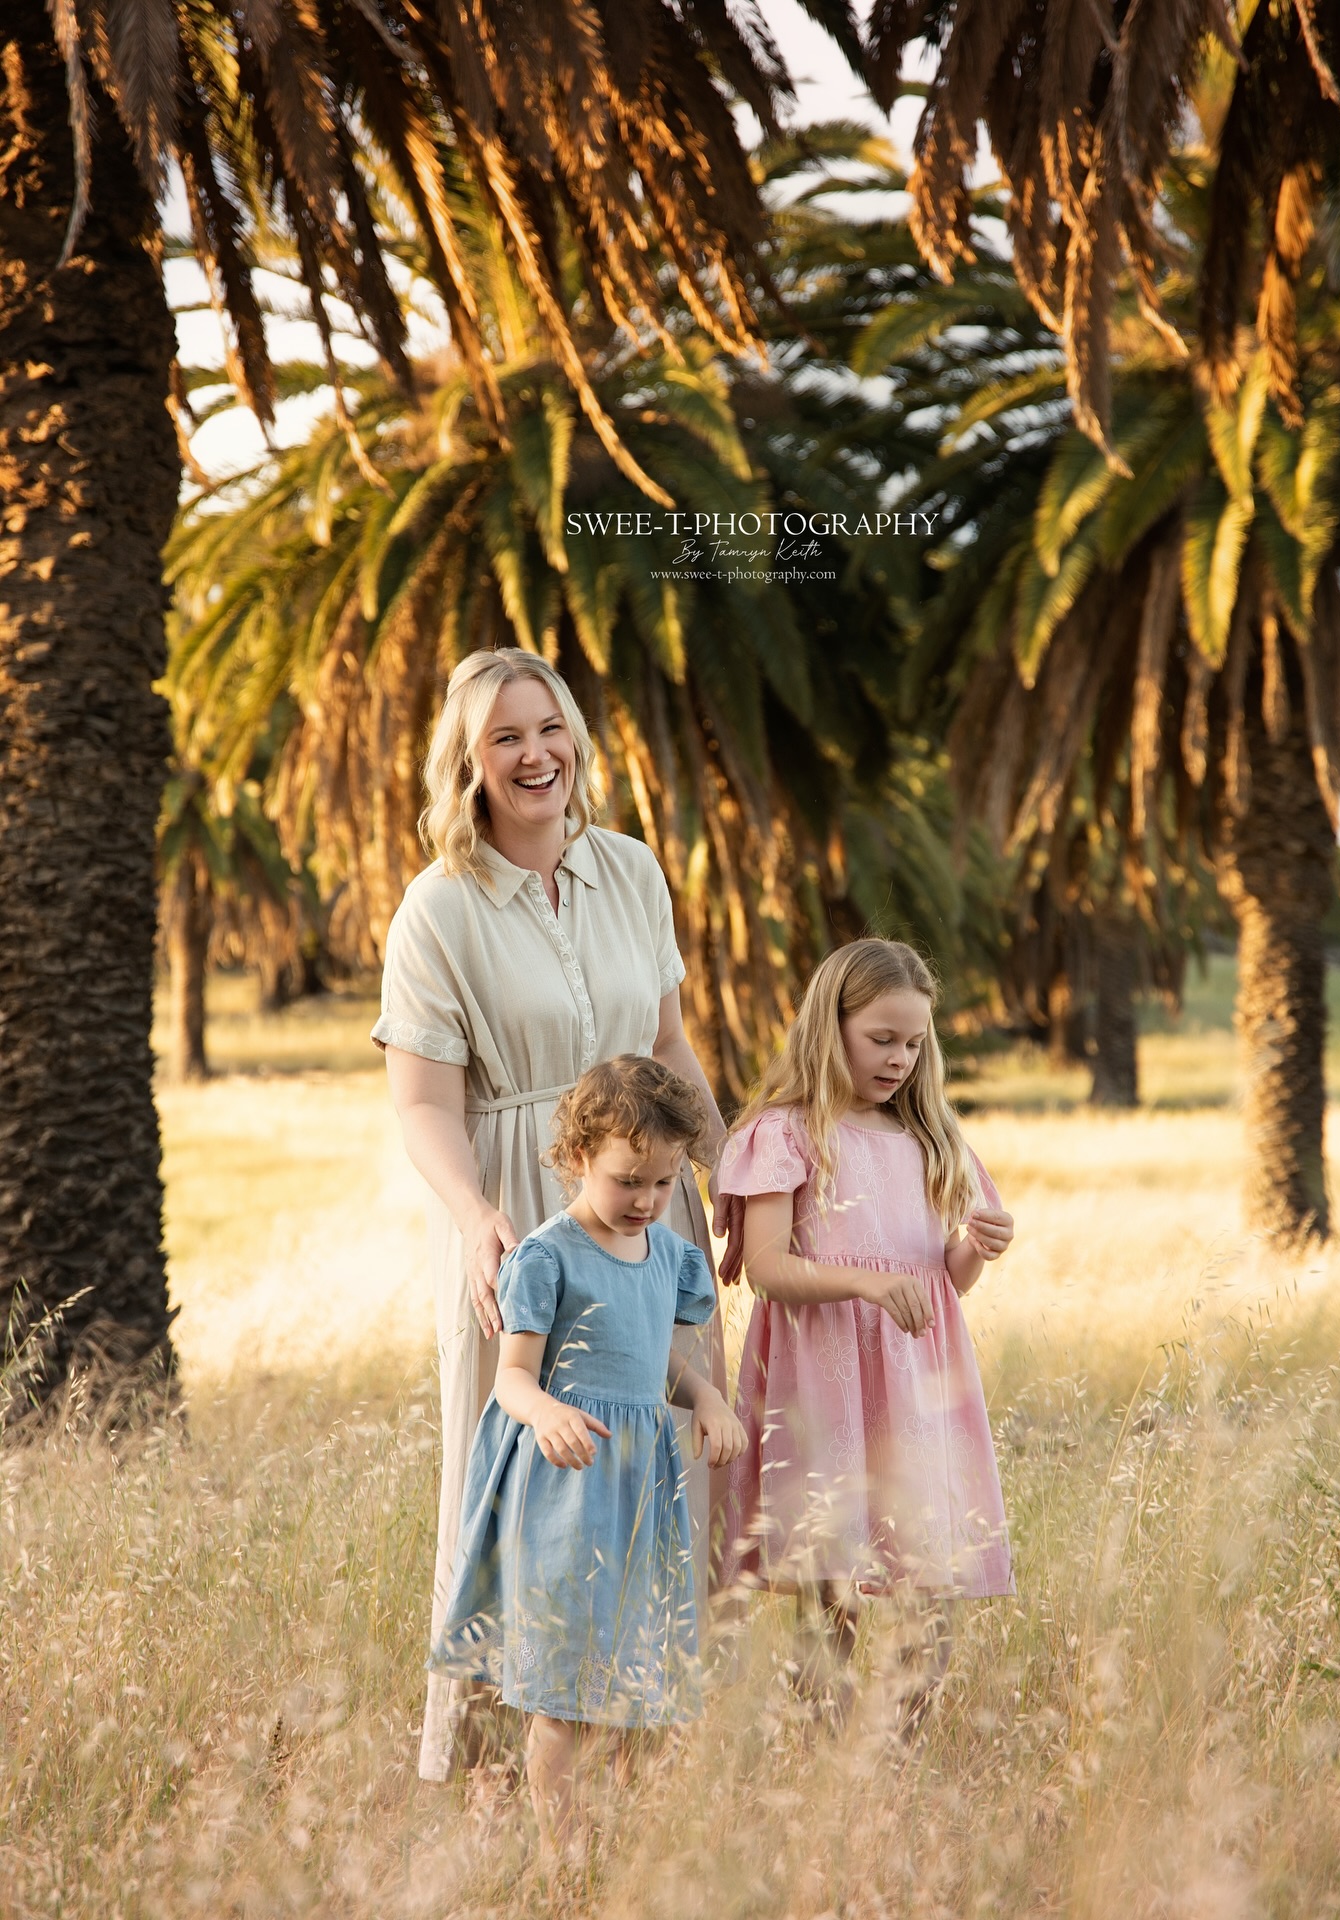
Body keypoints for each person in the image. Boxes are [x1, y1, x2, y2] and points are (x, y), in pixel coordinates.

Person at [371, 648, 730, 1784]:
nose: (535, 755)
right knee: (513, 1489)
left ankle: (642, 1743)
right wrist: (480, 1215)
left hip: (651, 1215)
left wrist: (725, 1177)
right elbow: (423, 1102)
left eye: (549, 729)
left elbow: (668, 1047)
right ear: (469, 766)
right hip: (521, 1216)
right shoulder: (437, 908)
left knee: (663, 1461)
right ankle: (491, 1762)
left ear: (576, 737)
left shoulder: (630, 870)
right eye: (504, 739)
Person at [432, 1056, 747, 1852]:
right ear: (577, 1157)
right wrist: (547, 1414)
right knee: (566, 1691)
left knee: (640, 1681)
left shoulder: (668, 1259)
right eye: (626, 1180)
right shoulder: (547, 1256)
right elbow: (511, 1379)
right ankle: (561, 1855)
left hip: (641, 1492)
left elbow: (658, 1361)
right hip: (566, 1492)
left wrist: (705, 1396)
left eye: (663, 1184)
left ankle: (628, 1850)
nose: (645, 1201)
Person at [714, 937, 1015, 1727]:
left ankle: (898, 1756)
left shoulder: (929, 1135)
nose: (900, 1059)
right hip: (826, 1379)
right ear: (831, 1025)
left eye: (915, 1043)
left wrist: (970, 1250)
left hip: (916, 1386)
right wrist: (866, 1283)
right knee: (833, 1585)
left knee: (932, 1584)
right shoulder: (785, 1133)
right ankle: (826, 1763)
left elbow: (941, 1283)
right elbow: (769, 1266)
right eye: (881, 1039)